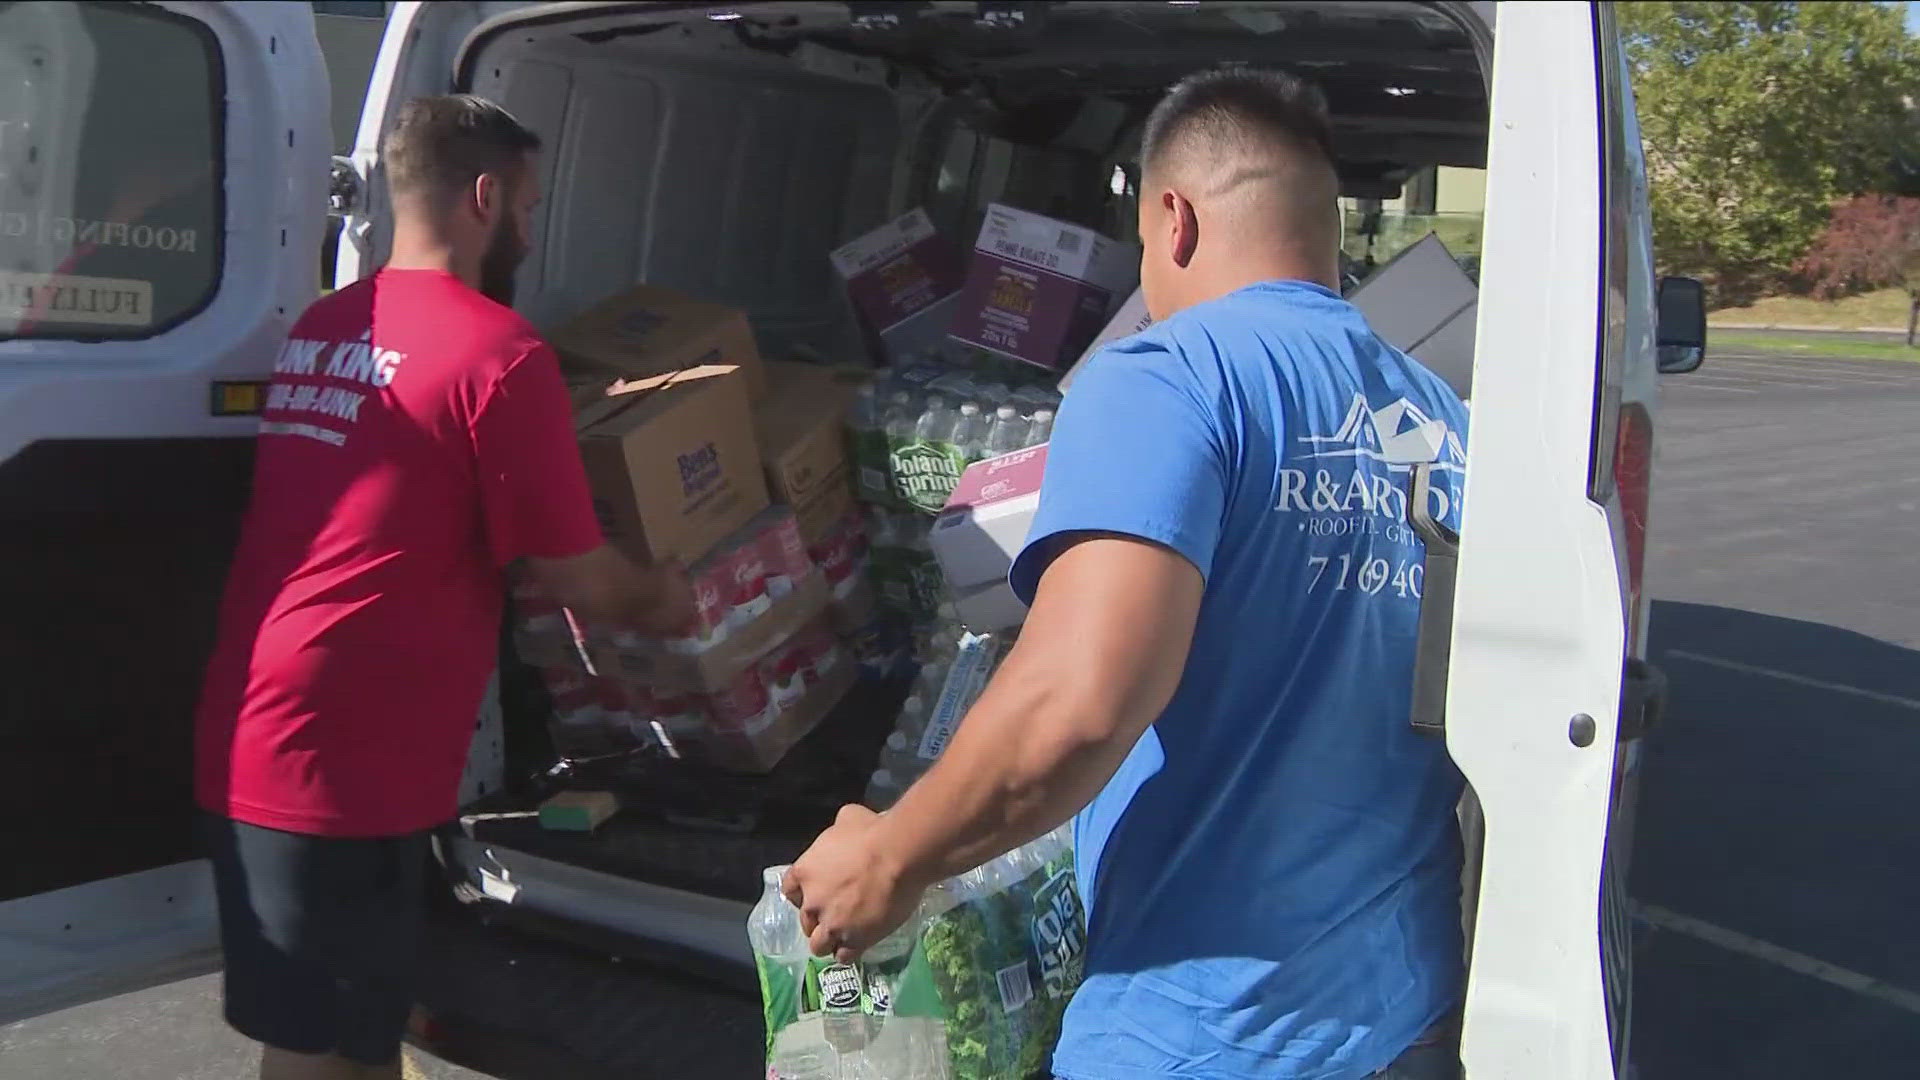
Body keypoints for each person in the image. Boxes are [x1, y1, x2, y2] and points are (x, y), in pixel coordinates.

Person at [782, 67, 1471, 1080]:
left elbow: (1081, 698)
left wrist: (889, 856)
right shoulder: (1443, 419)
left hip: (1209, 1029)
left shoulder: (1172, 374)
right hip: (1403, 1013)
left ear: (1175, 218)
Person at [194, 95, 693, 1080]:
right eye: (530, 207)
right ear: (483, 195)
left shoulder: (326, 329)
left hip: (284, 729)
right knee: (315, 1054)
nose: (530, 230)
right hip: (336, 762)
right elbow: (575, 575)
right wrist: (673, 601)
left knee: (349, 1036)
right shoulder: (498, 355)